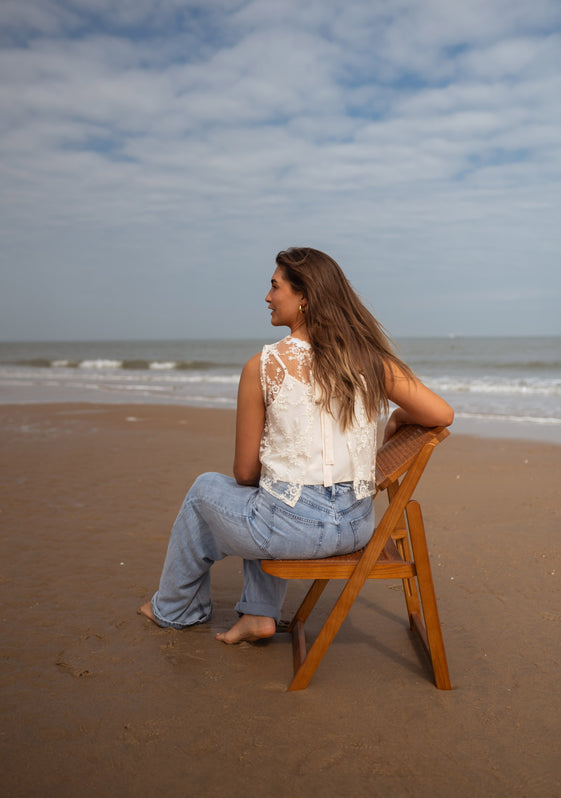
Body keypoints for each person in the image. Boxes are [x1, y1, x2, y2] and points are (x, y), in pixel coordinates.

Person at [139, 247, 453, 643]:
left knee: (207, 490)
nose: (267, 297)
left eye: (275, 287)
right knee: (263, 493)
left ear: (304, 297)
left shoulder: (264, 365)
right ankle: (257, 613)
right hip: (356, 526)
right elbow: (442, 414)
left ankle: (174, 609)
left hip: (290, 530)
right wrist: (399, 417)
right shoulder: (369, 360)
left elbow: (245, 472)